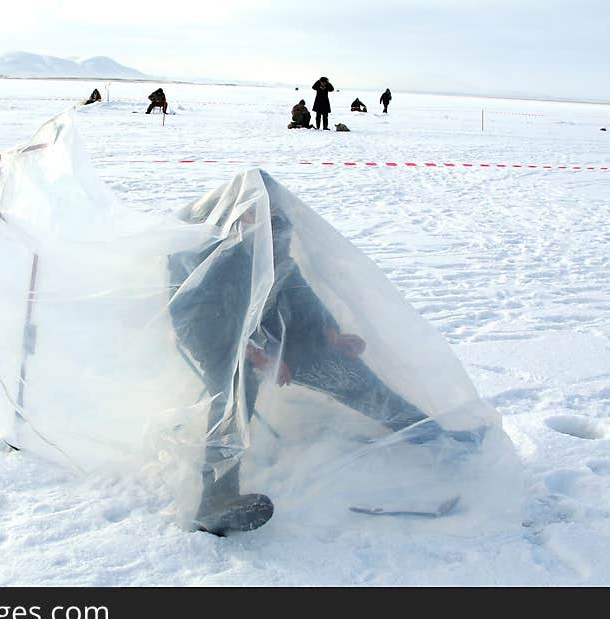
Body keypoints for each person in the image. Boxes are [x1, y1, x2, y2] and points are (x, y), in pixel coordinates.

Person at [168, 172, 477, 536]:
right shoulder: (201, 243)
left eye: (270, 212)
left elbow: (293, 284)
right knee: (238, 386)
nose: (267, 218)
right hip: (215, 337)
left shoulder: (275, 230)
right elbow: (193, 314)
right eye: (256, 211)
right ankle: (215, 499)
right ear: (236, 208)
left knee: (346, 371)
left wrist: (330, 333)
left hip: (270, 331)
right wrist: (253, 354)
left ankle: (434, 437)